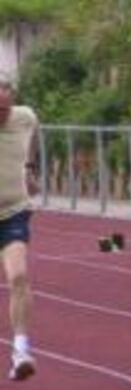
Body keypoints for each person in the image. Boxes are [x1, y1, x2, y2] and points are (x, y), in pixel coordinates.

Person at [0, 77, 39, 381]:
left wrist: (28, 168)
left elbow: (33, 136)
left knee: (19, 276)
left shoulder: (25, 117)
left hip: (13, 213)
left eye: (5, 94)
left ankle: (21, 350)